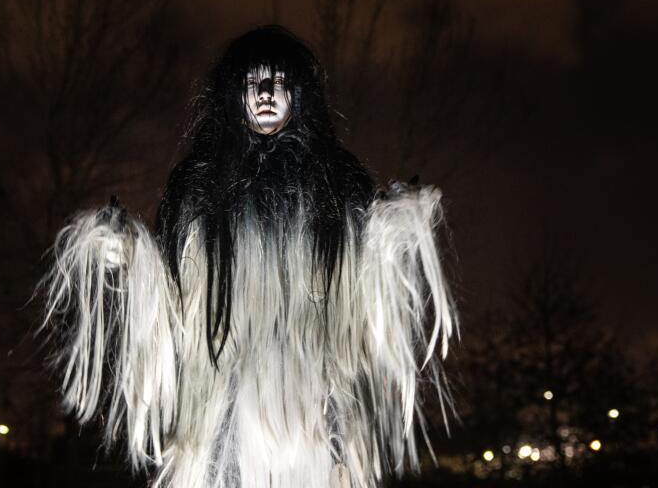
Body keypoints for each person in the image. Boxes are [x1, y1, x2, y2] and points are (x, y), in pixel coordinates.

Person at [41, 25, 455, 488]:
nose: (263, 93)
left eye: (277, 83)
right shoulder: (197, 186)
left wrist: (397, 228)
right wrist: (127, 252)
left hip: (315, 403)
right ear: (232, 96)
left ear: (298, 94)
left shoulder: (337, 181)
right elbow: (177, 300)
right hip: (226, 407)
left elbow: (363, 289)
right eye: (251, 82)